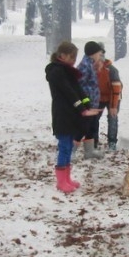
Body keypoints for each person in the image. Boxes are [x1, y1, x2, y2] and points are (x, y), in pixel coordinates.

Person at [45, 41, 100, 193]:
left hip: (71, 115)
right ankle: (61, 181)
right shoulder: (56, 72)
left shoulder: (69, 71)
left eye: (75, 57)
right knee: (64, 147)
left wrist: (88, 105)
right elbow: (69, 93)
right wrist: (82, 109)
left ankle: (67, 178)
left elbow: (78, 90)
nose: (74, 60)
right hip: (62, 114)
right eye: (71, 57)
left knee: (69, 146)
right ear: (62, 56)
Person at [76, 41, 105, 160]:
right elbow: (79, 85)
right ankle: (70, 152)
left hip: (93, 103)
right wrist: (87, 99)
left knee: (92, 127)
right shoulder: (84, 66)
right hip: (88, 104)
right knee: (83, 127)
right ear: (93, 54)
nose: (100, 56)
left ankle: (90, 151)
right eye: (99, 53)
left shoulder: (91, 64)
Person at [96, 52, 123, 151]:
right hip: (99, 96)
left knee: (112, 117)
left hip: (114, 96)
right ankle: (93, 141)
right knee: (94, 117)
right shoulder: (91, 69)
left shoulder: (112, 71)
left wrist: (113, 106)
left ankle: (112, 142)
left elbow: (116, 90)